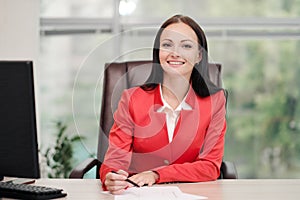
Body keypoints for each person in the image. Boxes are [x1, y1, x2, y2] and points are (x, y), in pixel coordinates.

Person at [100, 14, 227, 194]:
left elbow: (210, 166)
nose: (175, 53)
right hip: (138, 194)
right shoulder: (132, 98)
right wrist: (111, 177)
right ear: (158, 52)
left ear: (199, 55)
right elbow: (114, 161)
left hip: (193, 194)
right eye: (167, 45)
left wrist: (156, 174)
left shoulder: (215, 101)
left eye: (186, 46)